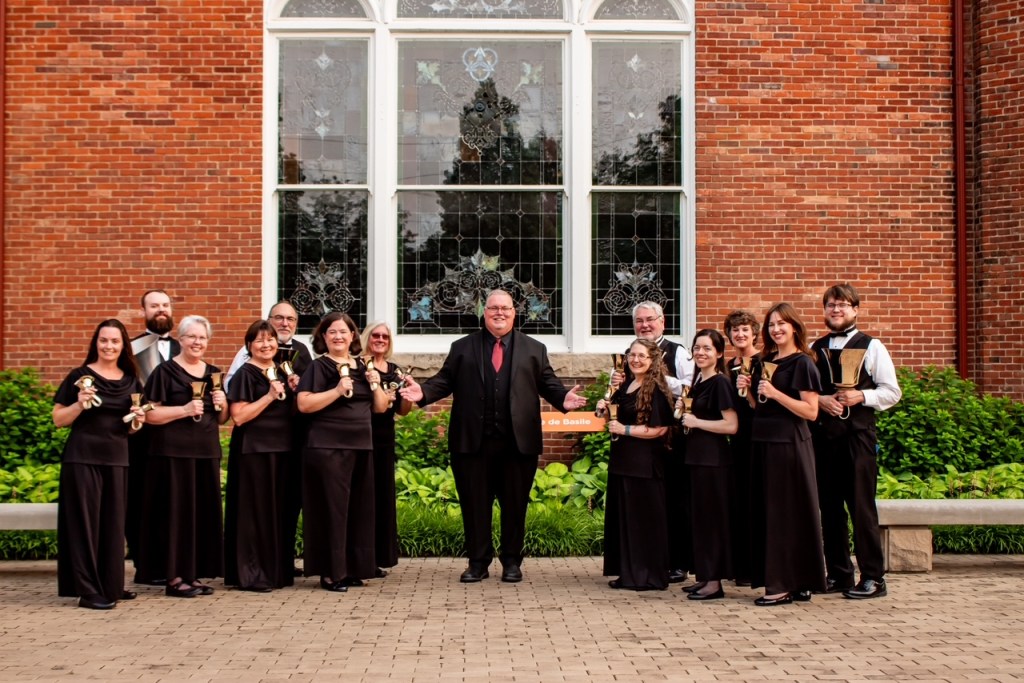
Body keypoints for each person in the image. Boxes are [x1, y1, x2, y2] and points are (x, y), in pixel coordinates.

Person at [400, 289, 588, 584]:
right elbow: (444, 380)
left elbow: (548, 383)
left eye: (505, 308)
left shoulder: (534, 348)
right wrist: (422, 392)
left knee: (515, 506)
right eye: (493, 308)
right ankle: (478, 563)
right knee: (474, 506)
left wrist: (564, 398)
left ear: (514, 313)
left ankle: (512, 562)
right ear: (484, 312)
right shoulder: (462, 347)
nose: (499, 313)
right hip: (473, 443)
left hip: (518, 444)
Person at [811, 284, 901, 600]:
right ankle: (839, 573)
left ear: (855, 310)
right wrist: (821, 400)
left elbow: (892, 392)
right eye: (830, 305)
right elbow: (806, 391)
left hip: (858, 439)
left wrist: (861, 395)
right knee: (830, 510)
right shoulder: (815, 347)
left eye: (842, 305)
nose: (836, 310)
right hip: (824, 439)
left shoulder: (872, 346)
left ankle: (874, 578)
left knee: (862, 509)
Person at [53, 320, 149, 610]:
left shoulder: (131, 381)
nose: (109, 346)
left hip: (117, 459)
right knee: (84, 525)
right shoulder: (79, 376)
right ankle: (87, 590)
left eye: (115, 341)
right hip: (82, 458)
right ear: (96, 343)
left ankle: (110, 584)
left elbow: (132, 428)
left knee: (113, 524)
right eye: (104, 340)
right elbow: (58, 419)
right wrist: (79, 404)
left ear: (123, 346)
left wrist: (138, 420)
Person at [737, 303, 825, 606]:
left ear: (794, 327)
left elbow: (811, 412)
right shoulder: (764, 361)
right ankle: (798, 582)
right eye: (771, 325)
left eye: (781, 324)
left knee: (784, 515)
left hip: (789, 446)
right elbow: (759, 407)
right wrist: (749, 391)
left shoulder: (803, 363)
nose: (775, 329)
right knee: (768, 512)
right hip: (763, 443)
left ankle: (782, 585)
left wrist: (776, 393)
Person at [135, 315, 230, 597]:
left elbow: (222, 419)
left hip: (206, 453)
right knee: (175, 515)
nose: (197, 342)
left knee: (200, 515)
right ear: (181, 340)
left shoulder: (213, 373)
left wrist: (223, 404)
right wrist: (183, 410)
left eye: (202, 337)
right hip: (172, 455)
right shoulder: (165, 372)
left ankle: (192, 573)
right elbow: (148, 414)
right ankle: (174, 577)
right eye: (192, 337)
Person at [297, 312, 387, 592]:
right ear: (323, 337)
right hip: (328, 448)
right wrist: (336, 391)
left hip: (361, 446)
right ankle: (331, 572)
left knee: (359, 510)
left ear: (353, 336)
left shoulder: (363, 367)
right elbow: (304, 404)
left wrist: (375, 384)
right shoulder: (318, 367)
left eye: (343, 332)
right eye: (332, 332)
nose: (338, 336)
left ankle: (352, 568)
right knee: (333, 510)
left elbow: (380, 408)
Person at [225, 300, 312, 577]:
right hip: (255, 451)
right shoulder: (245, 373)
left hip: (283, 449)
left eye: (270, 340)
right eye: (260, 341)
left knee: (279, 510)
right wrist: (268, 397)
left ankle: (276, 568)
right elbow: (239, 416)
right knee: (255, 512)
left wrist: (296, 390)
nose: (266, 345)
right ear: (249, 345)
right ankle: (251, 572)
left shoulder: (282, 371)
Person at [613, 301, 695, 585]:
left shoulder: (679, 352)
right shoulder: (631, 355)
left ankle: (677, 563)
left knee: (673, 502)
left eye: (650, 319)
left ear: (663, 321)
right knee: (650, 507)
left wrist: (658, 378)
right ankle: (646, 564)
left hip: (670, 440)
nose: (645, 325)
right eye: (639, 321)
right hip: (638, 449)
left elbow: (691, 388)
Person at [597, 338, 675, 591]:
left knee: (644, 521)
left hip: (645, 466)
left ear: (653, 360)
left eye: (642, 356)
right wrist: (605, 409)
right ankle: (629, 573)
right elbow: (614, 421)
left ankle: (648, 576)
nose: (635, 360)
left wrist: (626, 429)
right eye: (632, 355)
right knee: (627, 520)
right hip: (623, 462)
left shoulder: (657, 390)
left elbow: (660, 429)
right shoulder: (626, 386)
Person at [679, 329, 738, 601]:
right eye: (697, 348)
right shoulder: (698, 381)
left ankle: (714, 582)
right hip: (696, 458)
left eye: (707, 348)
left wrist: (697, 422)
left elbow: (732, 425)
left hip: (713, 462)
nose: (700, 352)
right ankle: (703, 576)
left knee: (712, 520)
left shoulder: (720, 383)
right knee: (699, 519)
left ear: (719, 353)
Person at [126, 289, 180, 581]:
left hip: (175, 437)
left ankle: (170, 564)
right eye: (154, 305)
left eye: (165, 305)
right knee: (140, 502)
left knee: (169, 502)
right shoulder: (130, 349)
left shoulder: (184, 347)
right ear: (143, 311)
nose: (161, 310)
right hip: (141, 438)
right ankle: (144, 566)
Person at [360, 321, 413, 578]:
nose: (380, 339)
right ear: (367, 338)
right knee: (364, 498)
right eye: (375, 335)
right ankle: (361, 558)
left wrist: (407, 393)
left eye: (385, 336)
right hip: (361, 436)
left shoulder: (395, 371)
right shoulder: (358, 367)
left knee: (381, 497)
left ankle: (378, 557)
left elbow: (402, 411)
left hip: (384, 439)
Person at [723, 310, 761, 586]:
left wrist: (748, 391)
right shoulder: (729, 364)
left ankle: (756, 568)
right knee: (738, 501)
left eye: (745, 329)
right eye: (735, 330)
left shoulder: (763, 362)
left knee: (754, 501)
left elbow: (763, 407)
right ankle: (740, 566)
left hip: (757, 438)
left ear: (754, 333)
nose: (740, 334)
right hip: (735, 440)